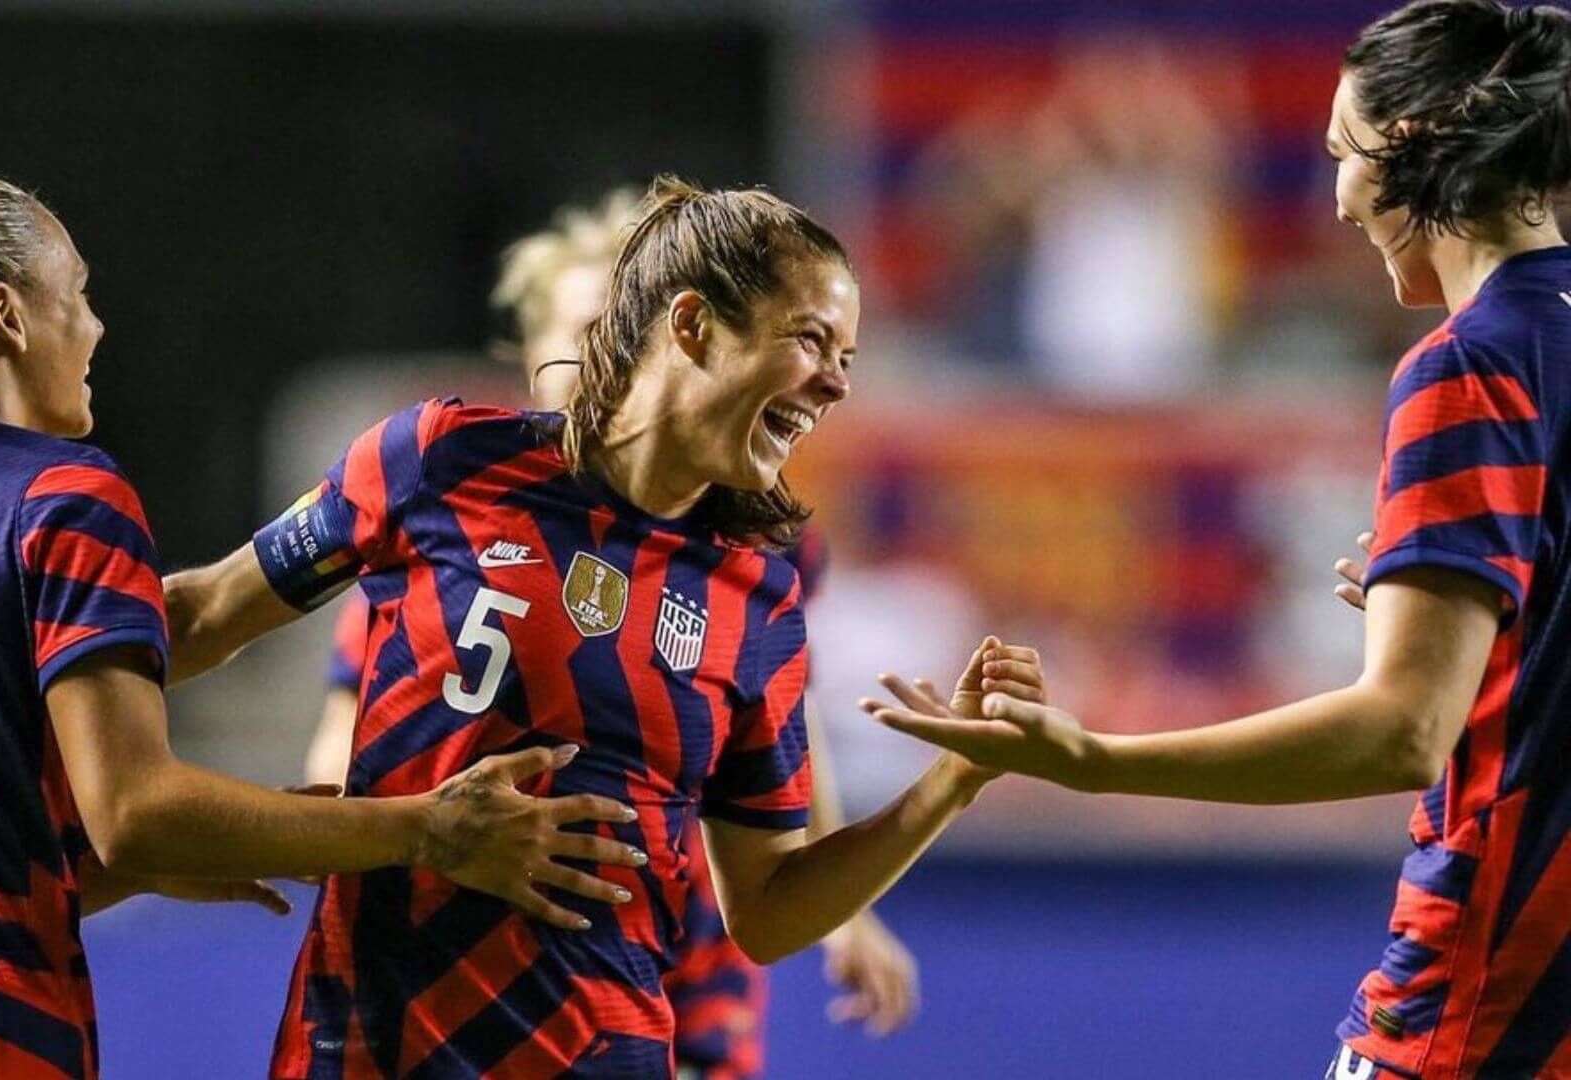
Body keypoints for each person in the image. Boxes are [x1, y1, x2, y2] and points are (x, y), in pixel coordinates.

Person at [0, 126, 640, 1080]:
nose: (93, 328)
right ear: (7, 314)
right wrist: (424, 827)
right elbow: (136, 809)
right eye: (77, 296)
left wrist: (180, 850)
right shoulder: (55, 492)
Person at [162, 176, 1046, 1077]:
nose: (834, 384)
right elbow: (201, 616)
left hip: (596, 1053)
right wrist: (34, 672)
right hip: (368, 1043)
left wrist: (951, 782)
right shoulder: (441, 460)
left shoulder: (761, 597)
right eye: (811, 340)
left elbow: (770, 910)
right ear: (693, 325)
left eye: (848, 358)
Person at [864, 3, 1571, 1076]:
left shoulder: (1464, 367)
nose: (1335, 199)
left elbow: (1403, 733)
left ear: (1417, 146)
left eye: (1344, 154)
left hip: (1483, 1010)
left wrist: (1093, 763)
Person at [301, 192, 921, 1079]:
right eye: (584, 325)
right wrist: (380, 838)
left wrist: (848, 905)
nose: (609, 348)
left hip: (671, 950)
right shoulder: (446, 516)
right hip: (450, 971)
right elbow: (334, 742)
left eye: (614, 322)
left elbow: (787, 715)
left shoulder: (753, 563)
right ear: (528, 350)